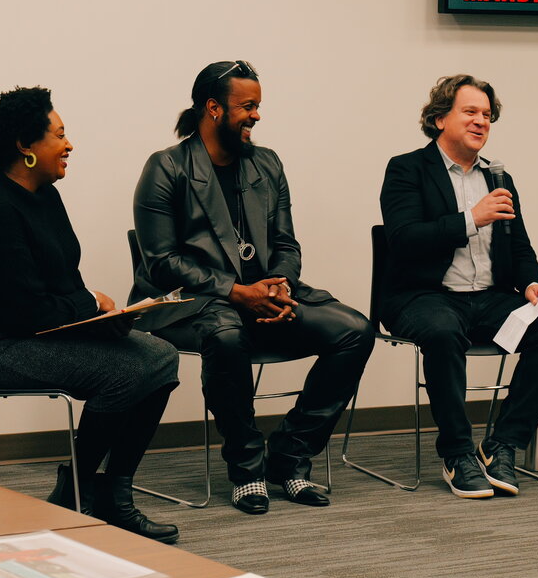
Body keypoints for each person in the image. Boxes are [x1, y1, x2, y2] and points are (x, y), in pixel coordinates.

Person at [0, 86, 181, 542]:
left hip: (23, 330)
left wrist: (105, 318)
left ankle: (113, 494)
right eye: (60, 135)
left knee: (161, 358)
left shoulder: (43, 194)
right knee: (124, 373)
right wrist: (91, 304)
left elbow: (58, 280)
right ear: (25, 147)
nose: (69, 145)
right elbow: (22, 310)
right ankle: (76, 491)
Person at [132, 61, 374, 514]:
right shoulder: (166, 168)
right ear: (213, 108)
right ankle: (246, 466)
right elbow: (161, 263)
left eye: (258, 106)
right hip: (191, 304)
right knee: (226, 335)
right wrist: (236, 292)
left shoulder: (266, 163)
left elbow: (285, 242)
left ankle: (290, 455)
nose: (257, 116)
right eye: (247, 106)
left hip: (262, 297)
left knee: (354, 330)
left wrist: (281, 286)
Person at [379, 74, 538, 499]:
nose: (480, 121)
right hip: (422, 295)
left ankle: (501, 445)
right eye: (469, 112)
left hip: (487, 299)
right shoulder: (407, 168)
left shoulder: (498, 176)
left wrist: (532, 282)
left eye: (487, 115)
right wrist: (472, 218)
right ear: (439, 118)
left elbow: (519, 245)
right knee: (444, 331)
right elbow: (404, 239)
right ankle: (457, 454)